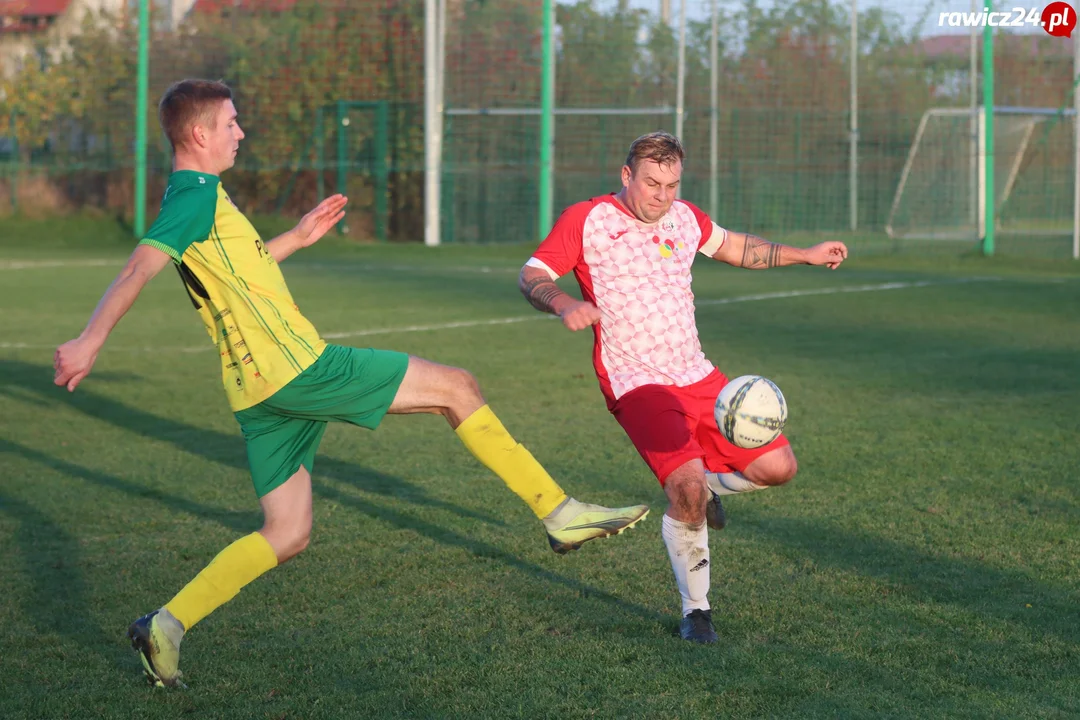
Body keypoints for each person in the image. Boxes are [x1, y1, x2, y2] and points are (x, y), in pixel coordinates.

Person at [53, 79, 649, 687]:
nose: (241, 132)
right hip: (298, 369)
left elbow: (233, 271)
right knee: (457, 386)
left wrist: (297, 237)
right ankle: (558, 511)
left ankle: (166, 624)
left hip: (256, 391)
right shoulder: (194, 197)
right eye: (231, 122)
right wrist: (89, 340)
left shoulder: (200, 195)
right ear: (200, 134)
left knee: (287, 532)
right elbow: (139, 266)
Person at [517, 131, 847, 644]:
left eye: (671, 184)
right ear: (627, 176)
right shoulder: (589, 220)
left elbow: (736, 247)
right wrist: (565, 304)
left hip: (698, 375)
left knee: (778, 468)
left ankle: (711, 487)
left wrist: (804, 254)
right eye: (652, 183)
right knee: (686, 489)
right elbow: (532, 273)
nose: (662, 195)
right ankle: (697, 611)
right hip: (637, 382)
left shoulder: (684, 216)